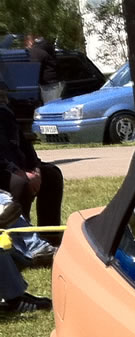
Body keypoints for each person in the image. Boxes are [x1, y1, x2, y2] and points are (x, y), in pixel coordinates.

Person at [0, 81, 63, 243]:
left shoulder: (5, 113)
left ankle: (50, 238)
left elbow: (24, 144)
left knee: (52, 174)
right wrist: (16, 171)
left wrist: (35, 167)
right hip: (4, 171)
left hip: (16, 167)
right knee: (19, 184)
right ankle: (23, 240)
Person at [26, 35, 63, 106]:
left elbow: (32, 69)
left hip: (48, 85)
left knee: (50, 108)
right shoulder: (45, 47)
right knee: (51, 107)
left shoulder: (35, 52)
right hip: (51, 83)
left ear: (30, 42)